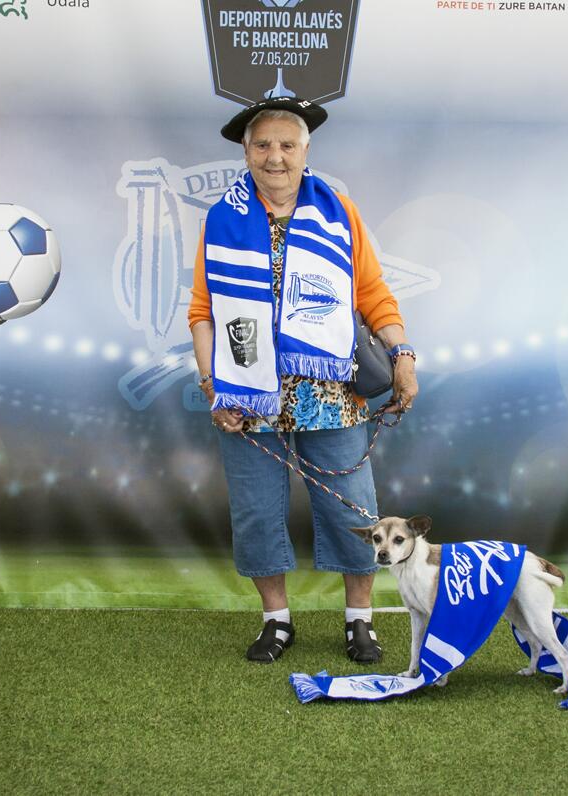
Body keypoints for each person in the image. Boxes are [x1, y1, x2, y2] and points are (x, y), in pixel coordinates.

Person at [188, 98, 418, 663]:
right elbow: (203, 312)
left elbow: (372, 293)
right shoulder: (222, 220)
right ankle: (276, 621)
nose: (275, 157)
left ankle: (360, 622)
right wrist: (213, 385)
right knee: (257, 511)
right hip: (249, 395)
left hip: (330, 391)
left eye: (287, 145)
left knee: (352, 509)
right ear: (246, 152)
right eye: (262, 145)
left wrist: (403, 353)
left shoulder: (337, 212)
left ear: (305, 151)